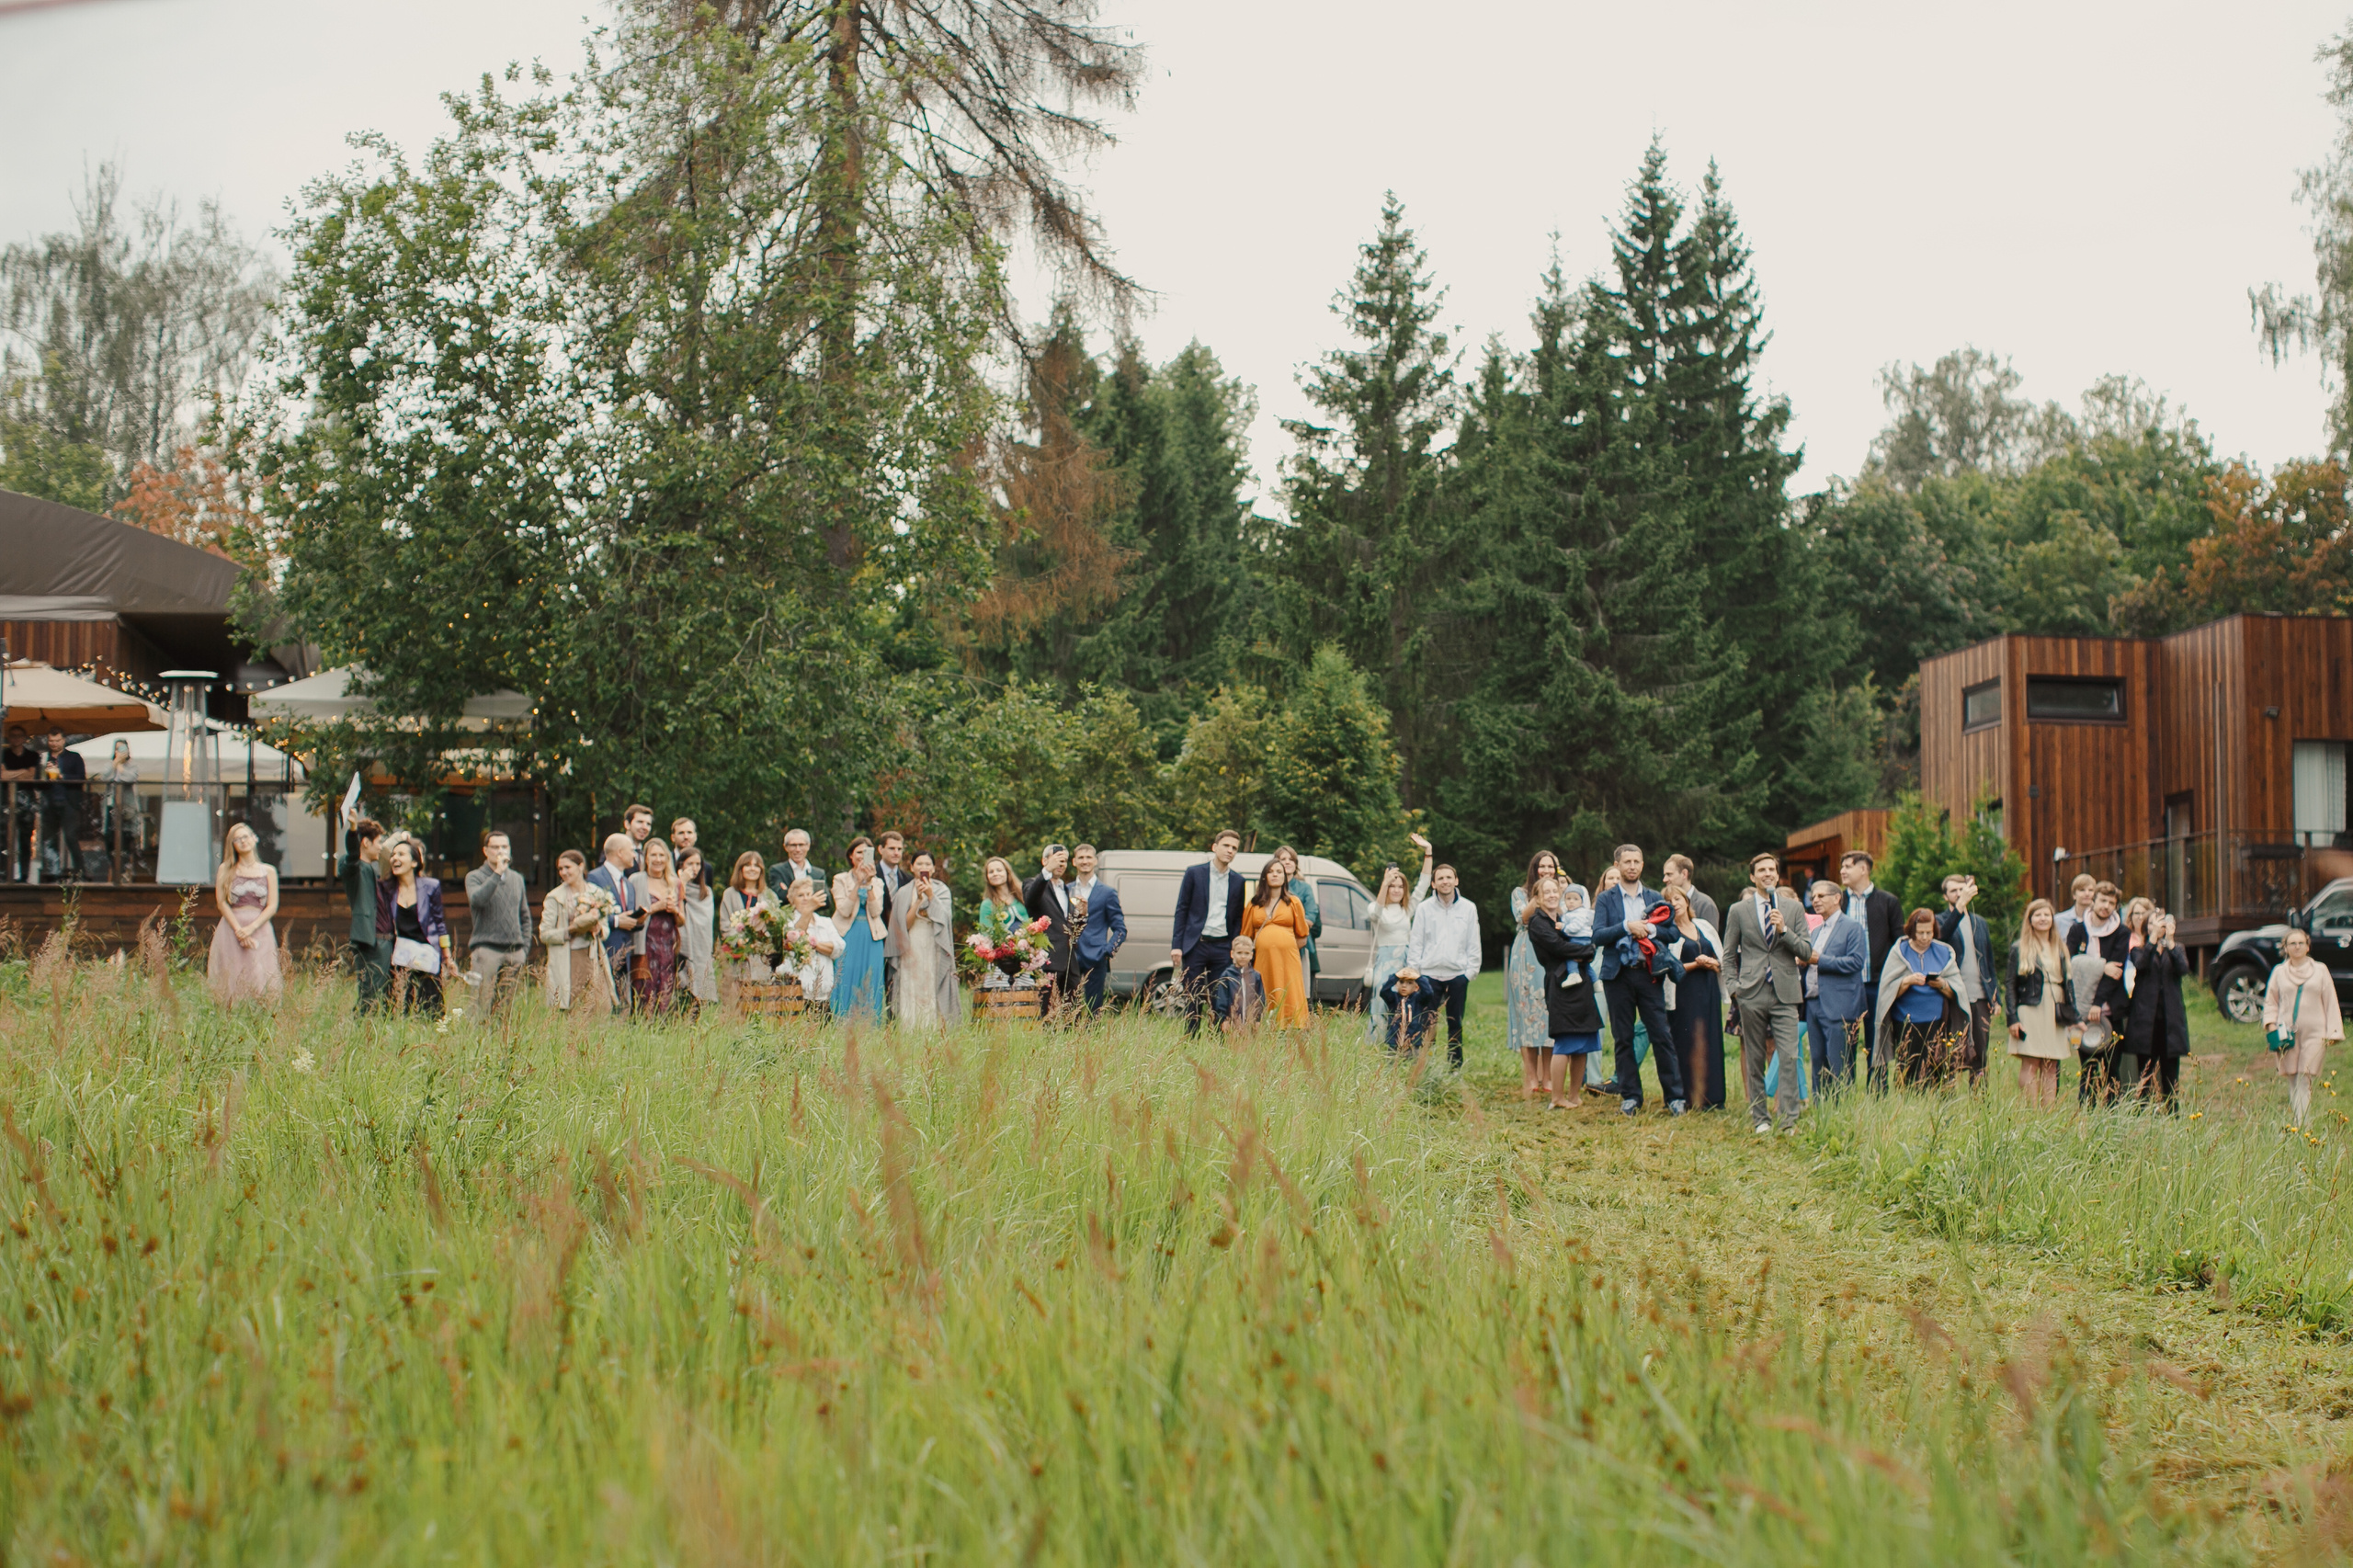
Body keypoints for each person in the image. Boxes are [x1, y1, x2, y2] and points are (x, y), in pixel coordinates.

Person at [1724, 852, 1813, 1132]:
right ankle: (1760, 1118)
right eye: (1761, 870)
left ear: (1778, 875)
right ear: (1753, 877)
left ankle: (1789, 1121)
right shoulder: (1738, 910)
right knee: (1754, 1057)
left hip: (1785, 992)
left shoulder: (1793, 909)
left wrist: (1784, 929)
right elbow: (1728, 956)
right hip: (1751, 991)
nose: (1767, 874)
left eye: (1771, 869)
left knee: (1788, 1056)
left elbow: (1807, 951)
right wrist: (1734, 989)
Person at [1594, 845, 1684, 1115]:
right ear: (1617, 865)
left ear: (1643, 865)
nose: (1632, 866)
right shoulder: (1606, 899)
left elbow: (1674, 933)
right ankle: (1631, 1096)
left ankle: (1674, 1097)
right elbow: (1597, 935)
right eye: (1627, 862)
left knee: (1661, 1035)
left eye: (1637, 861)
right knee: (1623, 1037)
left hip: (1649, 975)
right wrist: (1626, 927)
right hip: (1617, 976)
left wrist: (1652, 929)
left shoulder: (1655, 897)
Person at [1526, 875, 1604, 1109]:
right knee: (1565, 1040)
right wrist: (1587, 949)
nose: (1552, 895)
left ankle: (1574, 1096)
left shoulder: (1563, 917)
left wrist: (1584, 952)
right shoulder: (1537, 922)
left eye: (1554, 891)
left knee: (1584, 1038)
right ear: (1537, 898)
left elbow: (1578, 942)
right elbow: (1558, 947)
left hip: (1581, 981)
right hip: (1560, 984)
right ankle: (1557, 1098)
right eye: (1546, 892)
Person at [2267, 927, 2345, 1131]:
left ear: (2308, 946)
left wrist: (2334, 1031)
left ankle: (2302, 1125)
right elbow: (2271, 1001)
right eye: (2292, 943)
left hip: (2315, 1033)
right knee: (2292, 1076)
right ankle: (2299, 1122)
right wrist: (2271, 1026)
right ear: (2286, 948)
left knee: (2304, 1076)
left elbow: (2330, 1001)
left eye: (2301, 943)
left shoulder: (2320, 970)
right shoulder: (2279, 972)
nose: (2297, 946)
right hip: (2287, 1035)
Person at [1404, 862, 1481, 1069]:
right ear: (1433, 883)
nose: (1445, 881)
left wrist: (1469, 973)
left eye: (1449, 877)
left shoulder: (1468, 908)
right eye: (1440, 878)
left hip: (1457, 975)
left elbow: (1473, 943)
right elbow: (1416, 942)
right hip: (1429, 975)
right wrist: (1415, 975)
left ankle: (1455, 1066)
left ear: (1456, 881)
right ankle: (1424, 1065)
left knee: (1455, 1022)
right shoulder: (1424, 909)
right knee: (1427, 1022)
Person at [1171, 829, 1247, 1036]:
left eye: (1234, 848)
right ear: (1215, 847)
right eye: (1226, 846)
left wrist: (1234, 944)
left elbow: (1238, 916)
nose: (1230, 851)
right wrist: (1177, 945)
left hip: (1223, 947)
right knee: (1192, 996)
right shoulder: (1194, 873)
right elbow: (1182, 909)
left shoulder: (1239, 881)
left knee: (1220, 999)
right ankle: (1190, 1040)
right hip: (1196, 945)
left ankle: (1218, 1043)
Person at [1838, 851, 1904, 1085]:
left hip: (1878, 984)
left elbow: (1899, 943)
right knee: (1846, 1040)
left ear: (1864, 869)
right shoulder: (1838, 901)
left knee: (1877, 1040)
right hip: (1846, 984)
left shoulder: (1888, 902)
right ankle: (1843, 1090)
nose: (1842, 871)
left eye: (1848, 866)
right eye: (1842, 867)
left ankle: (1878, 1092)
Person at [1873, 908, 1959, 1085]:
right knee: (1909, 1070)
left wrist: (1942, 984)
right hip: (1906, 1021)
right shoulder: (1899, 951)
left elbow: (1957, 992)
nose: (1925, 937)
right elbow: (1887, 991)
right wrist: (1907, 981)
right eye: (1920, 933)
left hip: (1937, 1021)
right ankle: (1909, 1103)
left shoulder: (1944, 952)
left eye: (1929, 932)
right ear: (1912, 930)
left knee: (1939, 1069)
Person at [1362, 835, 1434, 1041]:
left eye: (1400, 886)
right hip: (1384, 961)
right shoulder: (1376, 908)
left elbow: (1424, 884)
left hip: (1405, 960)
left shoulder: (1407, 909)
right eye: (1392, 886)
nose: (1396, 890)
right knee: (1380, 1003)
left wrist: (1427, 851)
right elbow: (1375, 913)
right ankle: (1376, 1046)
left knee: (1406, 1005)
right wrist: (1385, 883)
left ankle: (1404, 1044)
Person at [1662, 882, 1727, 1111]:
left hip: (1708, 989)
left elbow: (1721, 955)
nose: (1674, 904)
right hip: (1683, 992)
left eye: (1677, 899)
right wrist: (1695, 964)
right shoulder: (1668, 933)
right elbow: (1669, 967)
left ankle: (1714, 1097)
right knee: (1687, 1040)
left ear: (1686, 901)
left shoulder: (1704, 926)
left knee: (1711, 1038)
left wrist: (1714, 963)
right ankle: (1688, 1097)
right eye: (1669, 902)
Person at [1801, 881, 1870, 1094]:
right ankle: (1821, 1113)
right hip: (1813, 1002)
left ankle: (1842, 1114)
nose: (1815, 901)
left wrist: (1820, 960)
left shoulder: (1853, 927)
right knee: (1817, 1063)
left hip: (1839, 1004)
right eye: (1813, 897)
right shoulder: (1816, 931)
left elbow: (1856, 962)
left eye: (1821, 896)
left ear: (1837, 898)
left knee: (1840, 1065)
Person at [1509, 850, 1567, 1097]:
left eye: (1550, 867)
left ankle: (1548, 1077)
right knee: (1526, 1015)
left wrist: (1556, 890)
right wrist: (1539, 892)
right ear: (1534, 869)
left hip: (1551, 953)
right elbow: (1524, 917)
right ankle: (1531, 1076)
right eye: (1541, 867)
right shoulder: (1520, 893)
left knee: (1549, 1012)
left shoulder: (1562, 892)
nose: (1546, 871)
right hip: (1525, 956)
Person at [2066, 881, 2130, 1106]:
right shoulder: (2077, 930)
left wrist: (2099, 1002)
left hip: (2110, 1009)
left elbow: (2116, 972)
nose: (2106, 906)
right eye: (2103, 901)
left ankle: (2112, 1113)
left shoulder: (2122, 932)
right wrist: (2102, 965)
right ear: (2094, 901)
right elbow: (2072, 964)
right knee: (2089, 1066)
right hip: (2083, 1011)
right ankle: (2086, 1112)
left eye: (2112, 903)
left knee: (2112, 1066)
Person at [2004, 898, 2071, 1108]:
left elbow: (2069, 984)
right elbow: (2010, 984)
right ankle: (2031, 1111)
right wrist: (2012, 1018)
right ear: (2030, 920)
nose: (2043, 919)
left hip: (2054, 1009)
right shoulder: (2019, 948)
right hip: (2030, 1008)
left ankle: (2048, 1113)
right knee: (2031, 1062)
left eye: (2046, 915)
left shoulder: (2059, 947)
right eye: (2038, 915)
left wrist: (2073, 1014)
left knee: (2051, 1064)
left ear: (2052, 919)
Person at [207, 821, 282, 1005]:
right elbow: (221, 902)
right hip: (232, 926)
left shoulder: (268, 871)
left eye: (245, 836)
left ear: (254, 838)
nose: (242, 841)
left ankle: (260, 1013)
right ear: (232, 844)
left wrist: (251, 928)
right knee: (233, 971)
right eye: (237, 839)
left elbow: (272, 905)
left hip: (260, 927)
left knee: (259, 971)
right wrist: (239, 929)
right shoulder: (226, 869)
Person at [2125, 908, 2189, 1110]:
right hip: (2146, 1020)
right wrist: (2152, 940)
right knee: (2145, 1071)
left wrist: (2170, 942)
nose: (2159, 926)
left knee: (2171, 1074)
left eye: (2163, 922)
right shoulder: (2139, 948)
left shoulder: (2176, 948)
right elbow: (2141, 964)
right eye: (2154, 923)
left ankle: (2172, 1111)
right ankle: (2143, 1109)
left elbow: (2183, 969)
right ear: (2147, 927)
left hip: (2170, 1020)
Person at [464, 829, 532, 1016]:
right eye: (495, 847)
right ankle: (477, 1043)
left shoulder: (517, 879)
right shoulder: (474, 877)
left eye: (505, 846)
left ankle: (500, 1043)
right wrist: (497, 873)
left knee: (505, 1010)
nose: (501, 851)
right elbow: (478, 899)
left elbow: (525, 916)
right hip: (487, 950)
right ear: (486, 851)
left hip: (514, 952)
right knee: (480, 1006)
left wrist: (523, 950)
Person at [540, 849, 617, 1014]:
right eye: (560, 869)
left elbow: (606, 929)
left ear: (581, 866)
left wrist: (598, 929)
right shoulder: (555, 897)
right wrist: (571, 930)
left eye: (567, 867)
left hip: (593, 955)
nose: (563, 872)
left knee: (601, 1006)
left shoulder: (596, 893)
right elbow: (544, 934)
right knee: (574, 1007)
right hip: (569, 957)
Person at [1935, 873, 1995, 1087]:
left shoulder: (1980, 923)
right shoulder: (1940, 920)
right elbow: (1940, 939)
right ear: (1945, 896)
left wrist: (1994, 996)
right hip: (1953, 997)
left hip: (1979, 996)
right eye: (1953, 891)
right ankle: (1947, 1100)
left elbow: (1988, 961)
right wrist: (1959, 908)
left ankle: (1979, 1105)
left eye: (1962, 889)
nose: (1959, 894)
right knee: (1951, 1052)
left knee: (1980, 1055)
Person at [382, 834, 452, 1017]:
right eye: (393, 855)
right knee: (402, 1009)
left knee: (431, 1010)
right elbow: (383, 852)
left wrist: (447, 956)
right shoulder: (388, 889)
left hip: (427, 954)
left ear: (415, 862)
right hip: (401, 958)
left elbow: (440, 924)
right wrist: (397, 838)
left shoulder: (430, 886)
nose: (395, 858)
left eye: (401, 854)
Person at [1241, 859, 1313, 1028]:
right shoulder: (1253, 904)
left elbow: (1302, 935)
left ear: (1285, 877)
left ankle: (1292, 1029)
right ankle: (1264, 1027)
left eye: (1279, 872)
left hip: (1288, 959)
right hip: (1263, 960)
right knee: (1264, 990)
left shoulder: (1294, 902)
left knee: (1289, 991)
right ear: (1265, 876)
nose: (1275, 874)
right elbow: (1245, 937)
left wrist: (1283, 946)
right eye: (1271, 871)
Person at [892, 849, 959, 1029]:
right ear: (912, 867)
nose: (923, 867)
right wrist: (918, 900)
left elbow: (945, 918)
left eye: (927, 864)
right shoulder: (904, 892)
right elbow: (903, 925)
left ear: (934, 868)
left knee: (930, 984)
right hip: (911, 944)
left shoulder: (942, 889)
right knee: (910, 985)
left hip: (933, 943)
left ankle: (931, 1031)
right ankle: (909, 1029)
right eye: (919, 864)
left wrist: (930, 895)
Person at [830, 837, 889, 1025]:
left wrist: (869, 883)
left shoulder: (878, 882)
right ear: (851, 856)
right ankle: (841, 1022)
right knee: (845, 975)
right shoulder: (840, 879)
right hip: (848, 933)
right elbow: (844, 910)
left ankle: (869, 1024)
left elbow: (876, 911)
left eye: (867, 853)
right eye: (859, 853)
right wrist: (858, 883)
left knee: (870, 978)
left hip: (871, 936)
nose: (863, 857)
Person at [338, 809, 392, 1011]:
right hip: (371, 940)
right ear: (366, 842)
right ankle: (361, 1033)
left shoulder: (377, 869)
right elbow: (352, 854)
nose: (381, 848)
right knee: (369, 996)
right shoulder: (351, 866)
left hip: (388, 940)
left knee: (386, 997)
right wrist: (353, 829)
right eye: (379, 842)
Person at [628, 839, 688, 1016]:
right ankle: (642, 1025)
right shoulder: (636, 880)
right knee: (644, 987)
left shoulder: (674, 882)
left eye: (662, 855)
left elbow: (682, 920)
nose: (658, 859)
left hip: (667, 945)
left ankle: (663, 1026)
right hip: (644, 943)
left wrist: (674, 911)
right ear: (646, 858)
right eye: (653, 855)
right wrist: (655, 907)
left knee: (666, 987)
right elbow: (632, 916)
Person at [585, 833, 644, 1014]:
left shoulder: (627, 883)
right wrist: (618, 921)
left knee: (623, 1005)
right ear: (620, 852)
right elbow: (590, 913)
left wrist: (638, 919)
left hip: (626, 951)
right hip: (606, 948)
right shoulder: (595, 877)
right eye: (632, 851)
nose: (635, 856)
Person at [1067, 844, 1126, 1010]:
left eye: (1088, 857)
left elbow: (1120, 928)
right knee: (1069, 1006)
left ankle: (1091, 1036)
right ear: (1074, 862)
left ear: (1095, 861)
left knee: (1094, 1008)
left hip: (1096, 956)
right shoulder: (1067, 890)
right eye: (1081, 858)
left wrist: (1108, 951)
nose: (1084, 861)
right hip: (1070, 956)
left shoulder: (1107, 893)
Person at [719, 851, 781, 993]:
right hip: (735, 954)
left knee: (759, 995)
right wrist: (740, 941)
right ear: (740, 869)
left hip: (761, 955)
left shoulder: (769, 895)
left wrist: (761, 942)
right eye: (747, 865)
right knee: (733, 996)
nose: (752, 868)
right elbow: (724, 924)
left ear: (761, 870)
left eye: (756, 865)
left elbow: (776, 926)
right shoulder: (730, 894)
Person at [779, 874, 845, 1002]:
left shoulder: (825, 922)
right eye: (800, 895)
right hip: (797, 992)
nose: (805, 899)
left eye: (809, 894)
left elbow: (839, 947)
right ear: (792, 899)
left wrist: (815, 944)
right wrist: (808, 910)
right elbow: (795, 939)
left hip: (823, 992)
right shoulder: (787, 921)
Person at [1023, 843, 1074, 1006]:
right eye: (1057, 860)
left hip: (1070, 960)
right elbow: (1031, 900)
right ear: (1044, 861)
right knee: (1047, 1010)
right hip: (1048, 959)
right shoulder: (1033, 883)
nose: (1061, 864)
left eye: (1064, 861)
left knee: (1071, 1011)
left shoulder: (1065, 889)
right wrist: (1047, 872)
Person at [1272, 846, 1323, 1003]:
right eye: (1283, 859)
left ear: (1296, 864)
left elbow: (1311, 915)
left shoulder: (1304, 888)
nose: (1287, 862)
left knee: (1302, 994)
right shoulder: (1269, 887)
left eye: (1291, 859)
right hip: (1274, 947)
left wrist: (1289, 927)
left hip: (1300, 946)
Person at [39, 726, 85, 881]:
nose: (54, 744)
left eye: (57, 740)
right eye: (51, 741)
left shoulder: (74, 757)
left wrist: (62, 775)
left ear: (64, 740)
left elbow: (81, 778)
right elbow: (38, 783)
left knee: (71, 837)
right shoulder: (45, 758)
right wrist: (44, 775)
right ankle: (52, 872)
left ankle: (80, 872)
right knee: (49, 839)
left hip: (69, 802)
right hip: (49, 803)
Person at [677, 848, 717, 1008]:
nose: (694, 868)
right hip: (683, 940)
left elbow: (705, 921)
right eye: (690, 864)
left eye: (698, 864)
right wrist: (682, 883)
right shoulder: (674, 885)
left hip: (700, 941)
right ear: (681, 865)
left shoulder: (706, 892)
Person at [876, 830, 906, 1008]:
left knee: (895, 983)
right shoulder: (872, 873)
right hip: (876, 935)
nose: (896, 853)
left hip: (899, 938)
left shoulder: (907, 879)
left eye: (899, 849)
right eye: (891, 848)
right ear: (881, 849)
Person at [1213, 934, 1268, 1032]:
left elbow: (1260, 999)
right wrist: (1224, 1019)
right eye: (1239, 953)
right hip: (1231, 1023)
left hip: (1250, 1023)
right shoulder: (1227, 975)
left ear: (1251, 955)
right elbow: (1221, 1000)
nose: (1243, 956)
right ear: (1232, 954)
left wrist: (1258, 1019)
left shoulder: (1256, 976)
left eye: (1246, 953)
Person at [977, 856, 1030, 948]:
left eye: (999, 870)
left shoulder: (1023, 894)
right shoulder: (987, 904)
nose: (995, 874)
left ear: (1007, 873)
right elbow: (986, 934)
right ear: (987, 877)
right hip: (1005, 953)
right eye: (991, 872)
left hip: (1031, 947)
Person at [768, 827, 828, 907]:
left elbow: (826, 901)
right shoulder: (777, 870)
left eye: (801, 845)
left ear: (808, 846)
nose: (798, 849)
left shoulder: (818, 874)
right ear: (786, 847)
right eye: (793, 845)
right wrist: (813, 897)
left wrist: (789, 892)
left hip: (812, 917)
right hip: (788, 918)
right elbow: (778, 897)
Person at [1661, 854, 1719, 930]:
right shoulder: (1664, 903)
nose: (1664, 880)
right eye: (1665, 875)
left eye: (1669, 874)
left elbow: (1711, 939)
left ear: (1684, 874)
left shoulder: (1705, 905)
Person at [2052, 873, 2097, 948]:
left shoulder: (2100, 919)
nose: (2087, 893)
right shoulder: (2059, 920)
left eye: (2091, 890)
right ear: (2074, 895)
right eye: (2082, 890)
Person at [670, 818, 709, 890]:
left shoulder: (706, 868)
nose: (686, 837)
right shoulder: (665, 862)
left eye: (689, 832)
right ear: (673, 837)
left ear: (695, 836)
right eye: (681, 833)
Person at [622, 803, 655, 869]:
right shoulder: (615, 850)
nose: (645, 827)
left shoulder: (647, 855)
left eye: (648, 824)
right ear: (627, 824)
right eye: (640, 822)